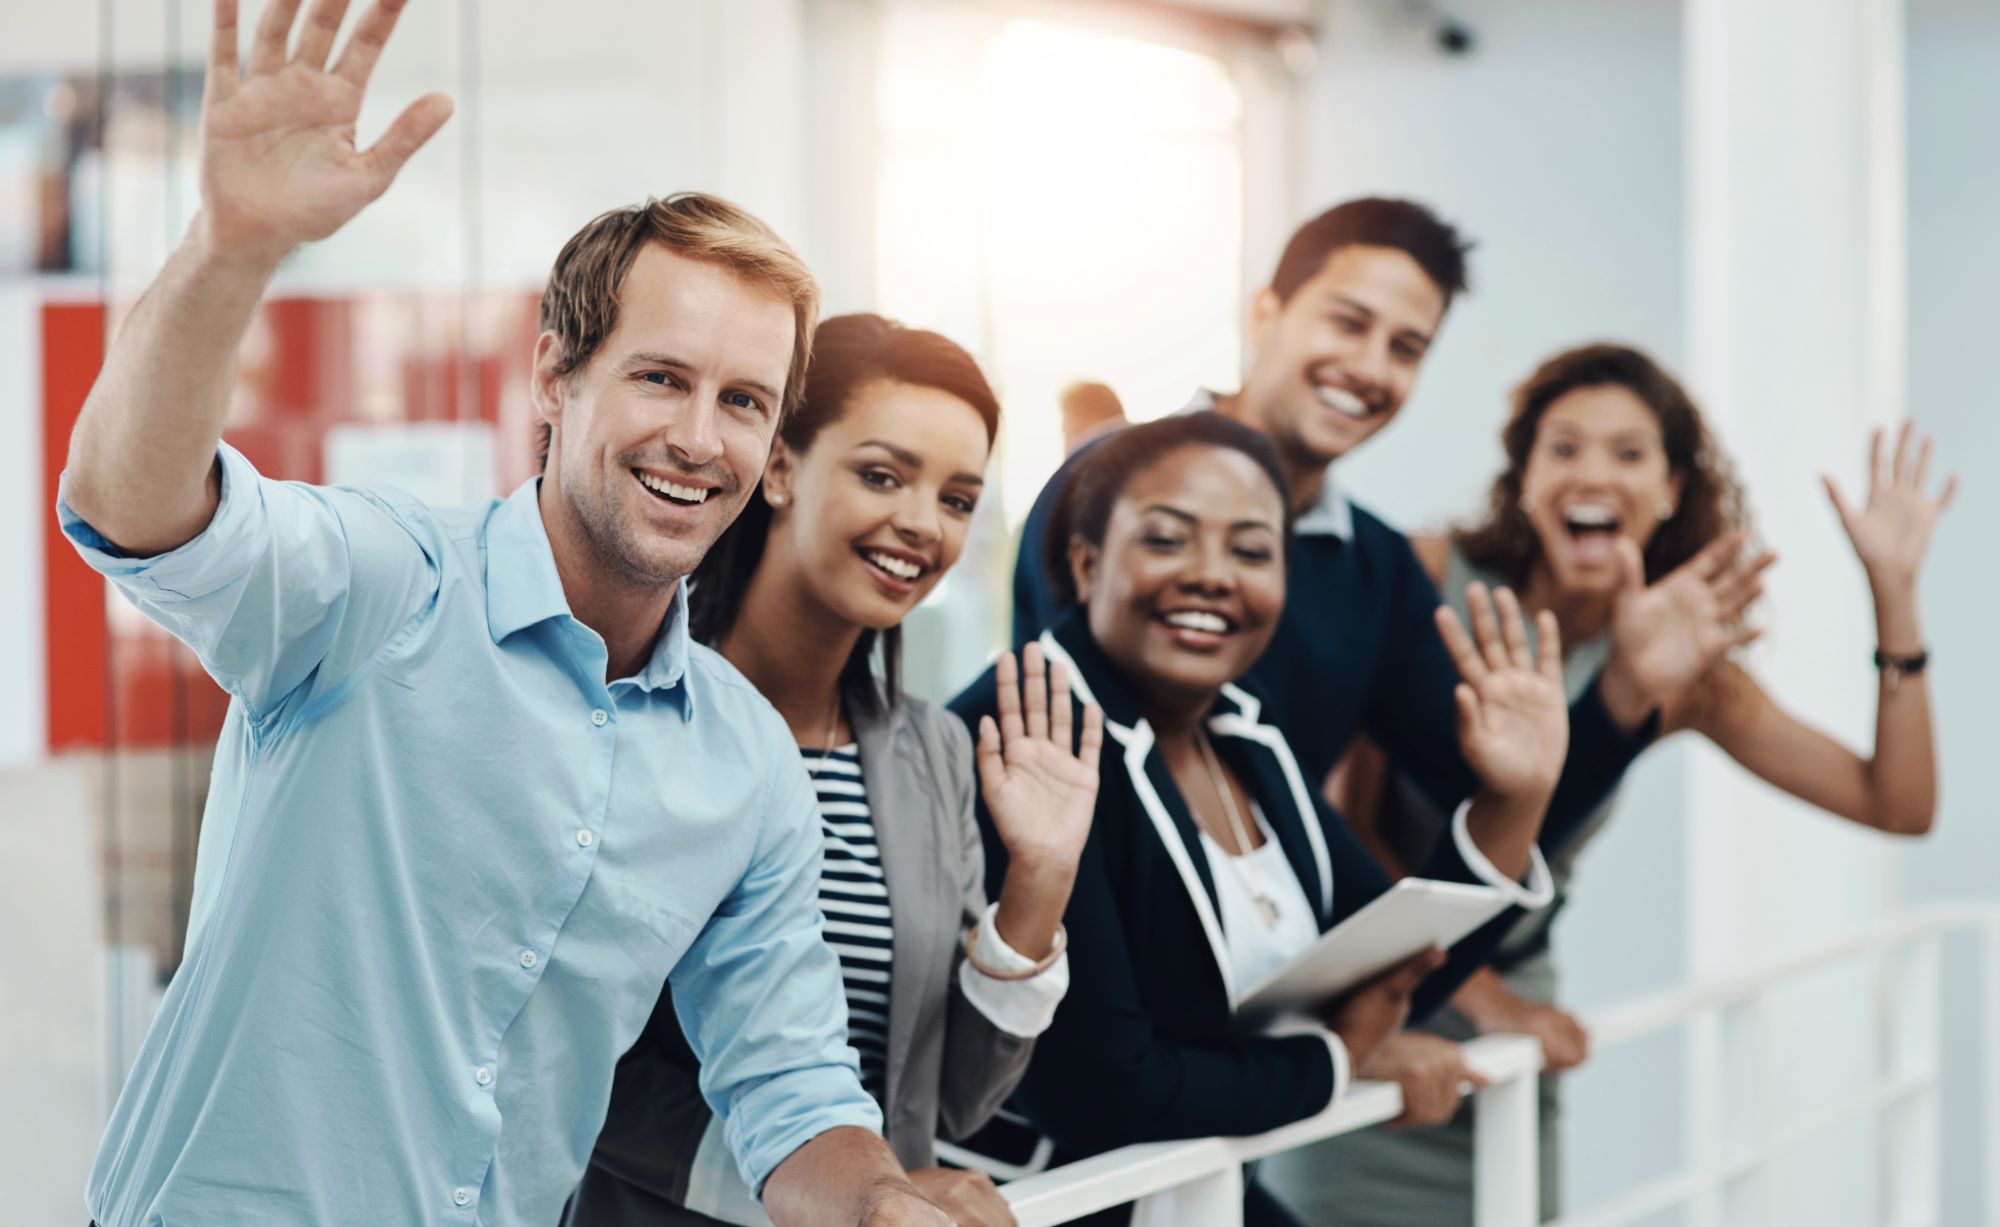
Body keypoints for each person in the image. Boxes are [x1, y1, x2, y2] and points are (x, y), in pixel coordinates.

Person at [58, 4, 951, 1224]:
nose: (699, 438)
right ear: (552, 375)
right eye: (659, 377)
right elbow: (130, 505)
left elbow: (792, 1088)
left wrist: (882, 1205)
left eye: (743, 401)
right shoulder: (381, 587)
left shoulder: (742, 763)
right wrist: (230, 251)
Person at [1303, 343, 1952, 1225]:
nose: (1592, 473)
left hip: (1514, 1022)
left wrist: (1895, 593)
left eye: (1628, 452)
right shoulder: (1427, 577)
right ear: (1524, 477)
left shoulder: (1679, 667)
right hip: (1372, 1014)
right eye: (1563, 447)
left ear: (1673, 488)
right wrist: (1481, 1001)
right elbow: (1349, 824)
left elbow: (1898, 803)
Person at [1009, 199, 1757, 898]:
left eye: (1405, 347)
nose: (1370, 368)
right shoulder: (1108, 488)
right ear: (1266, 313)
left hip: (1264, 993)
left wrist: (1622, 691)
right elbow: (1128, 779)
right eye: (1348, 322)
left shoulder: (1376, 567)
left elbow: (1502, 808)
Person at [950, 413, 1569, 1227]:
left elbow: (1388, 964)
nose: (1213, 575)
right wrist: (1334, 1058)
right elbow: (1102, 1090)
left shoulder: (1243, 726)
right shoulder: (1024, 736)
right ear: (1086, 558)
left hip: (1201, 1191)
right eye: (1169, 539)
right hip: (1053, 1205)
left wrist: (1515, 799)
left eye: (1250, 550)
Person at [566, 314, 1104, 1227]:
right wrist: (856, 1197)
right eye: (882, 475)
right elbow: (564, 1052)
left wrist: (1041, 882)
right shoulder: (633, 707)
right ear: (779, 467)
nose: (921, 524)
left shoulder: (929, 752)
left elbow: (950, 1097)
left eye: (958, 499)